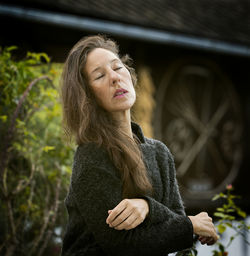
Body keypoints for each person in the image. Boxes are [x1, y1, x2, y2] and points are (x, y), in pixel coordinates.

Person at [60, 35, 219, 256]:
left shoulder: (159, 153)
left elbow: (177, 227)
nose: (115, 78)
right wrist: (188, 224)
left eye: (118, 67)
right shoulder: (92, 155)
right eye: (99, 76)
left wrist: (147, 208)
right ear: (87, 97)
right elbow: (123, 245)